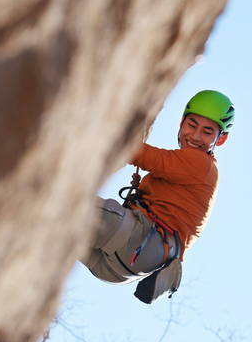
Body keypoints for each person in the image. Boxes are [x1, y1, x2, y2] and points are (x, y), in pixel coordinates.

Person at [80, 90, 235, 303]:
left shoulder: (202, 164)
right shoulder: (201, 170)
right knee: (50, 228)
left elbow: (138, 153)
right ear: (182, 123)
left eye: (208, 132)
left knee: (67, 203)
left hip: (136, 244)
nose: (196, 136)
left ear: (221, 139)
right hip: (122, 270)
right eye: (192, 125)